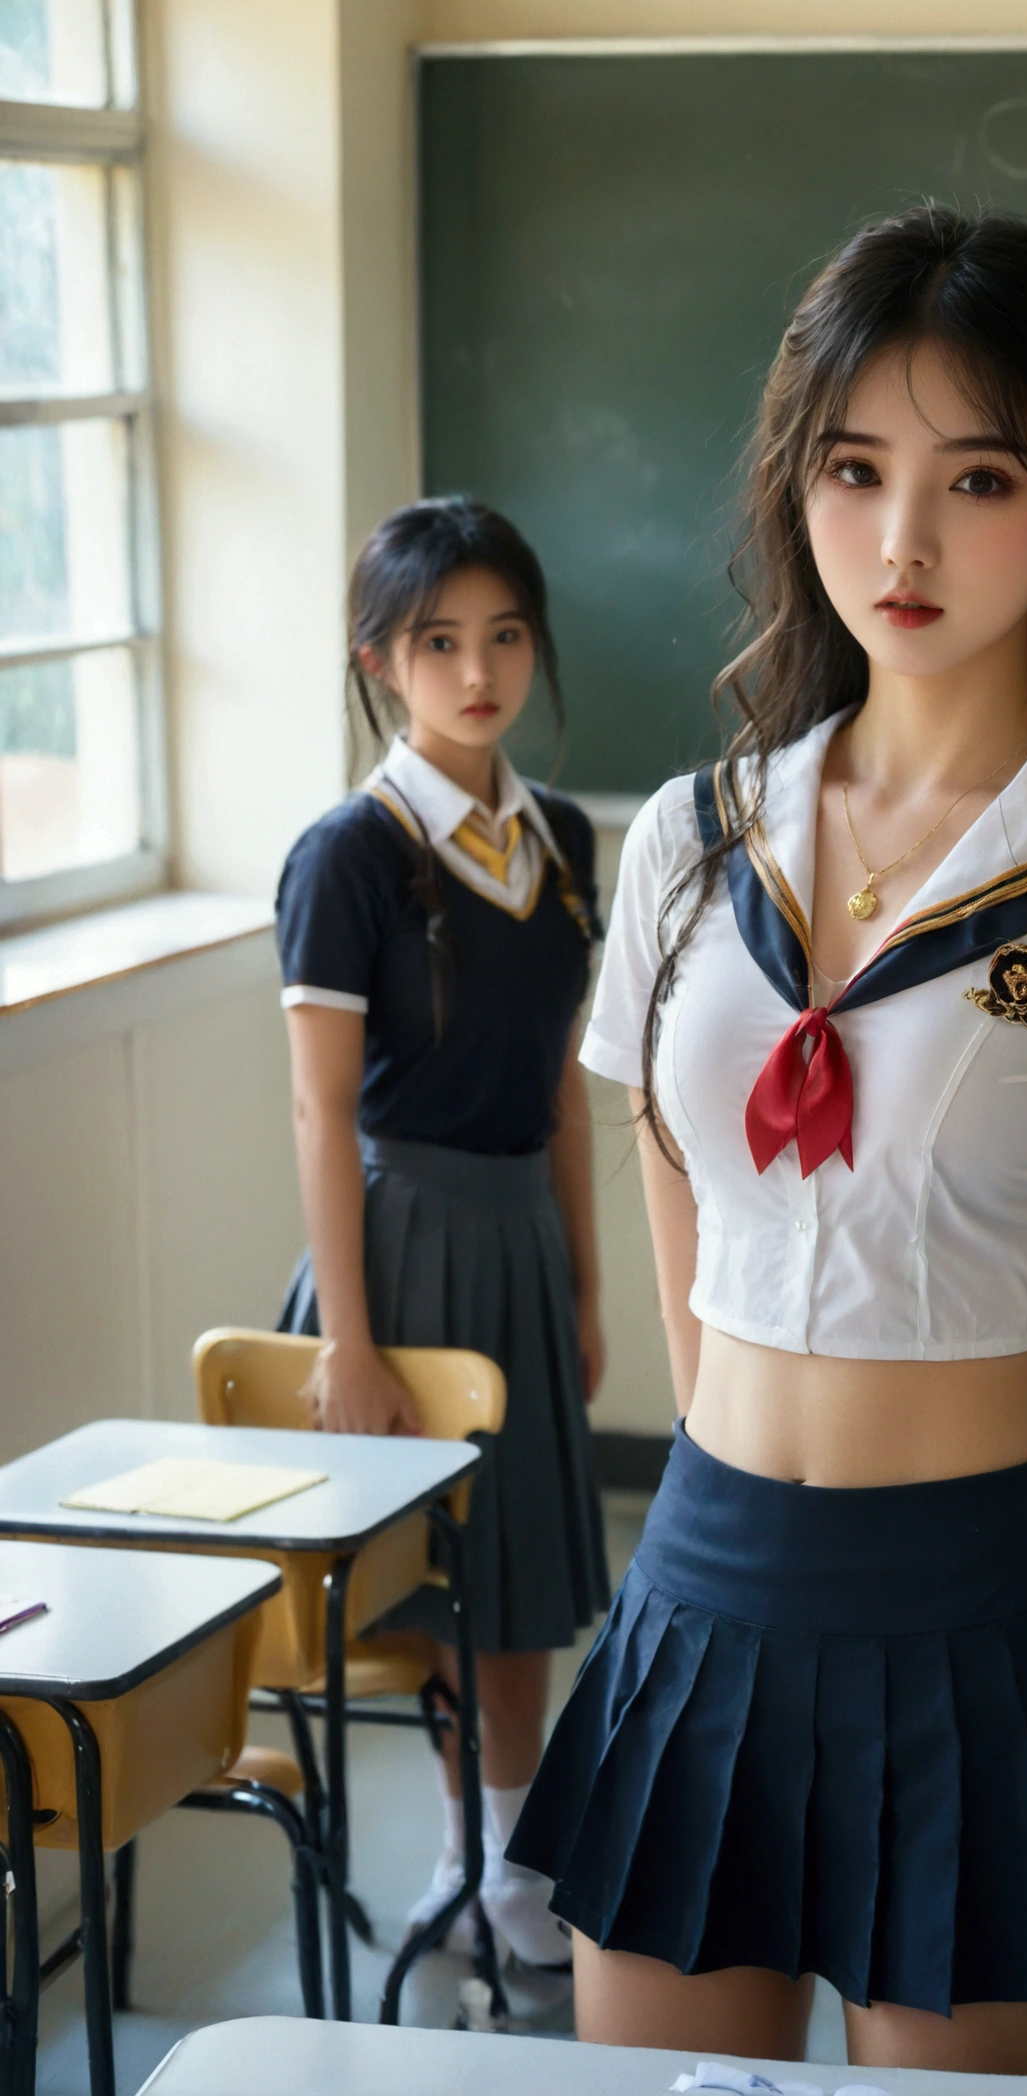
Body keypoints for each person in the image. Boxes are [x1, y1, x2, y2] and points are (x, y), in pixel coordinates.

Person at [509, 206, 1027, 2072]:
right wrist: (716, 1449)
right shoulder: (702, 830)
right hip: (696, 1591)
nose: (902, 542)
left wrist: (1013, 1568)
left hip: (981, 1611)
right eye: (854, 472)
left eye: (978, 477)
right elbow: (663, 1139)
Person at [275, 497, 610, 1969]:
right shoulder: (351, 853)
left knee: (523, 1579)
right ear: (382, 662)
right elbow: (317, 1113)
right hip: (398, 1246)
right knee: (422, 1584)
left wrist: (591, 1285)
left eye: (504, 635)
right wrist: (347, 1339)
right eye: (439, 643)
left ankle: (514, 1875)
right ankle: (462, 1858)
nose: (478, 670)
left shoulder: (566, 842)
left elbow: (565, 1099)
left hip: (521, 1238)